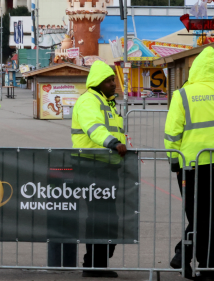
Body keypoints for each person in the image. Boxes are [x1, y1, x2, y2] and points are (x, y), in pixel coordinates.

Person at [164, 48, 214, 279]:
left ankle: (187, 254)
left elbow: (172, 133)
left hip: (188, 165)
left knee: (198, 215)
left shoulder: (182, 95)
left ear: (196, 69)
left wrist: (174, 160)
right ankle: (206, 267)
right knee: (207, 216)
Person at [71, 60, 128, 278]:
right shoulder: (88, 101)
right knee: (97, 217)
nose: (114, 84)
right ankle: (93, 264)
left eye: (113, 80)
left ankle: (98, 263)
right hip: (90, 166)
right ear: (98, 82)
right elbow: (94, 128)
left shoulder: (107, 102)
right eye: (109, 80)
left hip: (105, 165)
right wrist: (112, 143)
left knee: (107, 217)